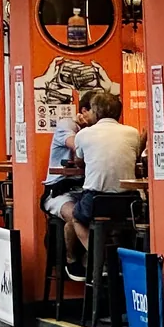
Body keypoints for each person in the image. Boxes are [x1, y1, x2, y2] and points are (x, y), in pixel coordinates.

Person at [68, 90, 144, 281]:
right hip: (129, 203)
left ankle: (99, 258)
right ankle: (120, 262)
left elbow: (79, 162)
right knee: (120, 227)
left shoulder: (84, 134)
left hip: (96, 200)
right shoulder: (133, 133)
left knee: (76, 219)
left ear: (95, 111)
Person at [42, 91, 95, 268]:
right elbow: (77, 147)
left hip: (85, 190)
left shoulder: (97, 130)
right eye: (96, 111)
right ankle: (72, 262)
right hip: (59, 191)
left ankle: (95, 264)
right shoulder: (67, 125)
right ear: (84, 111)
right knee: (74, 215)